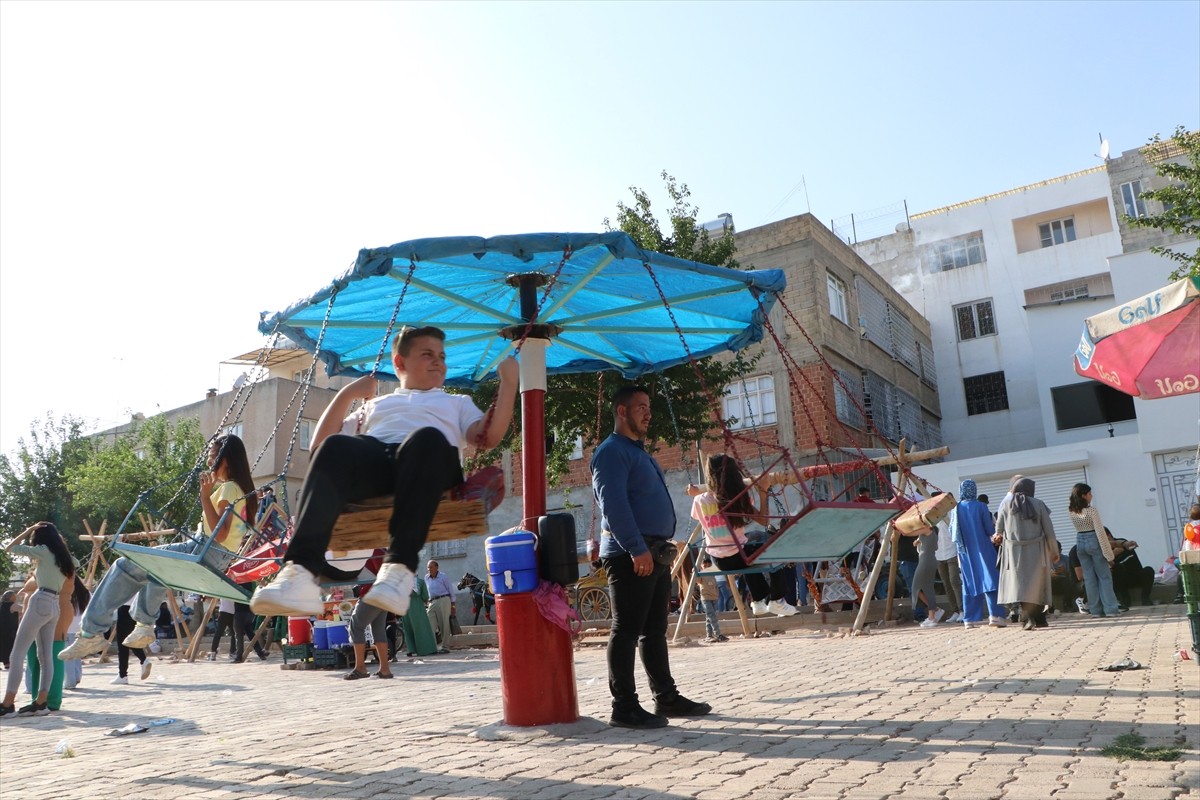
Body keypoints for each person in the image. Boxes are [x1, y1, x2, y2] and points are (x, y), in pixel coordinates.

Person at [251, 326, 518, 619]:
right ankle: (300, 574)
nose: (438, 362)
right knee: (335, 446)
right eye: (427, 354)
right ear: (400, 363)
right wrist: (348, 393)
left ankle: (398, 570)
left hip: (429, 465)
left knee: (426, 437)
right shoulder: (376, 405)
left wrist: (508, 383)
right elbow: (318, 447)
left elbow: (487, 437)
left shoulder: (456, 403)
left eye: (441, 356)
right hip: (379, 465)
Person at [61, 434, 259, 660]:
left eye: (213, 456)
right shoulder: (237, 489)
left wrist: (205, 496)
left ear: (226, 459)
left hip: (204, 550)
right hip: (213, 555)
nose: (208, 461)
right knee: (156, 570)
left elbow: (220, 534)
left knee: (124, 565)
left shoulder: (229, 489)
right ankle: (143, 626)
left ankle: (91, 632)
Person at [592, 385, 711, 729]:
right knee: (626, 630)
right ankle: (624, 707)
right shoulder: (611, 452)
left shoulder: (638, 452)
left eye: (648, 407)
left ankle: (666, 697)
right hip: (631, 553)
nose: (648, 413)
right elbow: (613, 505)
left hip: (653, 551)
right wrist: (635, 547)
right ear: (621, 411)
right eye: (640, 407)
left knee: (654, 631)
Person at [689, 453, 799, 617]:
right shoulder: (739, 498)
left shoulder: (699, 500)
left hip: (718, 559)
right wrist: (763, 492)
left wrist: (696, 492)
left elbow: (698, 516)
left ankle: (758, 601)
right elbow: (763, 520)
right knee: (772, 549)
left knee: (750, 550)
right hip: (739, 555)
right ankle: (777, 600)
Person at [2, 523, 74, 717]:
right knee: (46, 657)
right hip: (55, 606)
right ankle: (41, 703)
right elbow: (73, 561)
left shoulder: (43, 551)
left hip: (40, 600)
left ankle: (8, 704)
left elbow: (10, 548)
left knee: (16, 655)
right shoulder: (66, 558)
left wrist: (28, 529)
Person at [995, 476, 1058, 630]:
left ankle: (1028, 618)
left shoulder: (1005, 504)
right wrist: (1054, 551)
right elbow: (1049, 530)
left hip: (1014, 552)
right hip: (1036, 550)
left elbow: (998, 530)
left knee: (1020, 584)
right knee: (1036, 583)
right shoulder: (1039, 504)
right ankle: (1039, 618)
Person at [950, 479, 1005, 628]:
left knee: (969, 584)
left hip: (965, 552)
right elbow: (989, 529)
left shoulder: (955, 509)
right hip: (983, 549)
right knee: (991, 581)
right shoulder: (981, 506)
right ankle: (995, 616)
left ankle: (970, 619)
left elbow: (952, 532)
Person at [1067, 483, 1122, 618]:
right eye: (1089, 494)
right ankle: (1110, 609)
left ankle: (1095, 610)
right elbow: (1100, 532)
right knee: (1104, 576)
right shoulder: (1091, 510)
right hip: (1093, 539)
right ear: (1083, 495)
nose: (1091, 496)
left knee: (1089, 578)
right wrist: (1108, 553)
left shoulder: (1071, 511)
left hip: (1080, 540)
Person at [343, 585, 394, 681]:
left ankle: (360, 668)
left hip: (371, 592)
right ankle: (385, 669)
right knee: (378, 629)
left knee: (356, 626)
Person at [907, 515, 946, 629]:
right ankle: (934, 611)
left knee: (919, 587)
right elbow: (922, 540)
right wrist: (918, 542)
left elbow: (909, 533)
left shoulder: (927, 528)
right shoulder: (927, 531)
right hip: (925, 560)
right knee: (923, 588)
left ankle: (932, 616)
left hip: (926, 561)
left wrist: (899, 527)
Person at [1106, 527, 1155, 607]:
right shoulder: (1102, 551)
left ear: (1109, 535)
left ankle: (1145, 598)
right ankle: (1125, 600)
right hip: (1122, 580)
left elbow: (1122, 547)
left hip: (1136, 575)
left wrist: (1112, 553)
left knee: (1149, 570)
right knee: (1117, 569)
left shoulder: (1122, 542)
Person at [110, 601, 152, 684]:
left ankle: (123, 675)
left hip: (124, 608)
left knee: (123, 644)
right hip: (135, 609)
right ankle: (143, 660)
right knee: (129, 640)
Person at [933, 507, 963, 623]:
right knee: (946, 584)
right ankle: (955, 611)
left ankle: (962, 610)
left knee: (954, 581)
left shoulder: (951, 514)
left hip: (952, 552)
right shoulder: (933, 517)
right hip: (939, 554)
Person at [424, 560, 455, 654]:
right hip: (432, 602)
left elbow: (451, 590)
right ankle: (432, 647)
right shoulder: (426, 577)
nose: (429, 569)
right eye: (428, 567)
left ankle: (445, 647)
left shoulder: (443, 576)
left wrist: (453, 605)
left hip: (444, 600)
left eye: (431, 567)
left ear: (437, 567)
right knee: (429, 623)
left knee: (444, 624)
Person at [697, 556, 727, 643]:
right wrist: (696, 571)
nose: (707, 567)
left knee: (709, 617)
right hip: (706, 598)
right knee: (711, 616)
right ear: (702, 566)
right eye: (705, 565)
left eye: (708, 565)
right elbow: (697, 580)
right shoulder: (701, 574)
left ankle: (709, 635)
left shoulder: (712, 573)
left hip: (714, 597)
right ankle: (718, 634)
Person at [0, 590, 19, 670]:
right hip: (10, 630)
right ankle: (7, 663)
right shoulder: (12, 605)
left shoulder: (2, 605)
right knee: (9, 646)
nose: (16, 597)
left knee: (2, 645)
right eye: (14, 595)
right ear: (11, 597)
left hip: (2, 629)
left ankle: (6, 663)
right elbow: (25, 609)